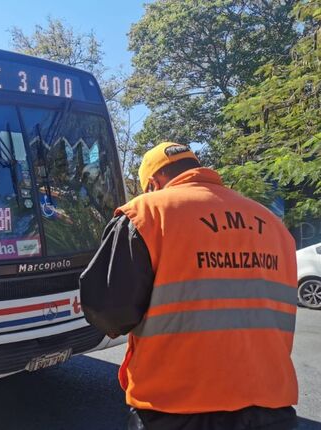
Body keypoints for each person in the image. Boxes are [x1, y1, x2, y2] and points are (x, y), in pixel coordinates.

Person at [80, 142, 298, 430]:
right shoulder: (273, 224)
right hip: (269, 401)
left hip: (176, 404)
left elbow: (108, 309)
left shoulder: (146, 213)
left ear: (154, 183)